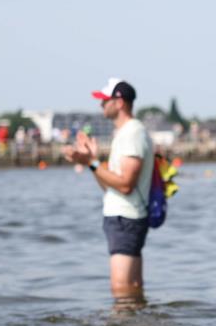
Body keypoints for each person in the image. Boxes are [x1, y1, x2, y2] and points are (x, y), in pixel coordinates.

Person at [64, 79, 154, 301]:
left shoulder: (132, 133)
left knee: (122, 290)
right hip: (124, 218)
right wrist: (92, 161)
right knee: (130, 288)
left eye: (105, 101)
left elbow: (125, 185)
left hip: (126, 219)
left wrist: (92, 162)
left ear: (119, 102)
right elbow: (110, 187)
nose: (101, 105)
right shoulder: (125, 133)